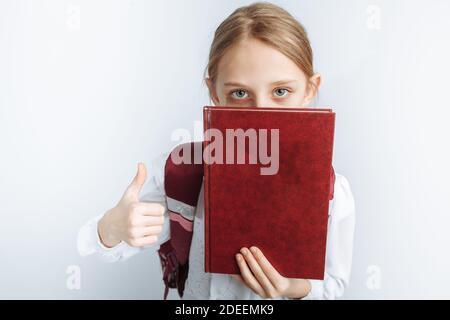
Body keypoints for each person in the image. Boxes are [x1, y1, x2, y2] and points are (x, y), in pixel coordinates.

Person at [77, 1, 356, 300]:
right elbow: (97, 243)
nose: (260, 111)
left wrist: (296, 289)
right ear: (214, 93)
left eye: (280, 92)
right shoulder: (182, 172)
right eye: (239, 93)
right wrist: (113, 227)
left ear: (309, 91)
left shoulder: (331, 191)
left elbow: (333, 288)